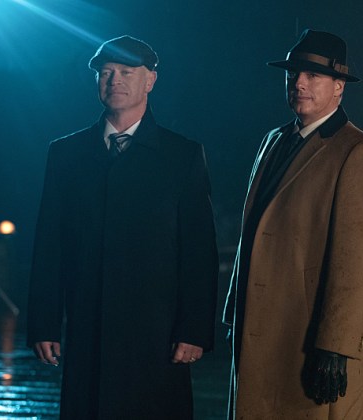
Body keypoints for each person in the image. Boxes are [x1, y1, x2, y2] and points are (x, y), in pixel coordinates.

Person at [26, 35, 219, 419]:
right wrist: (43, 324)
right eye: (106, 72)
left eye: (127, 72)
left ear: (151, 80)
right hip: (88, 325)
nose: (114, 80)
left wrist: (194, 329)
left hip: (157, 331)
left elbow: (198, 250)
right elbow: (49, 246)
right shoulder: (66, 154)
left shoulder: (182, 155)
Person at [222, 29, 363, 419]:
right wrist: (235, 309)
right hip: (261, 326)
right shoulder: (274, 140)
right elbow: (253, 232)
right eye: (293, 73)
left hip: (308, 336)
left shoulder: (359, 152)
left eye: (313, 75)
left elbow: (358, 261)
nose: (299, 83)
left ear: (339, 87)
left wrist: (336, 345)